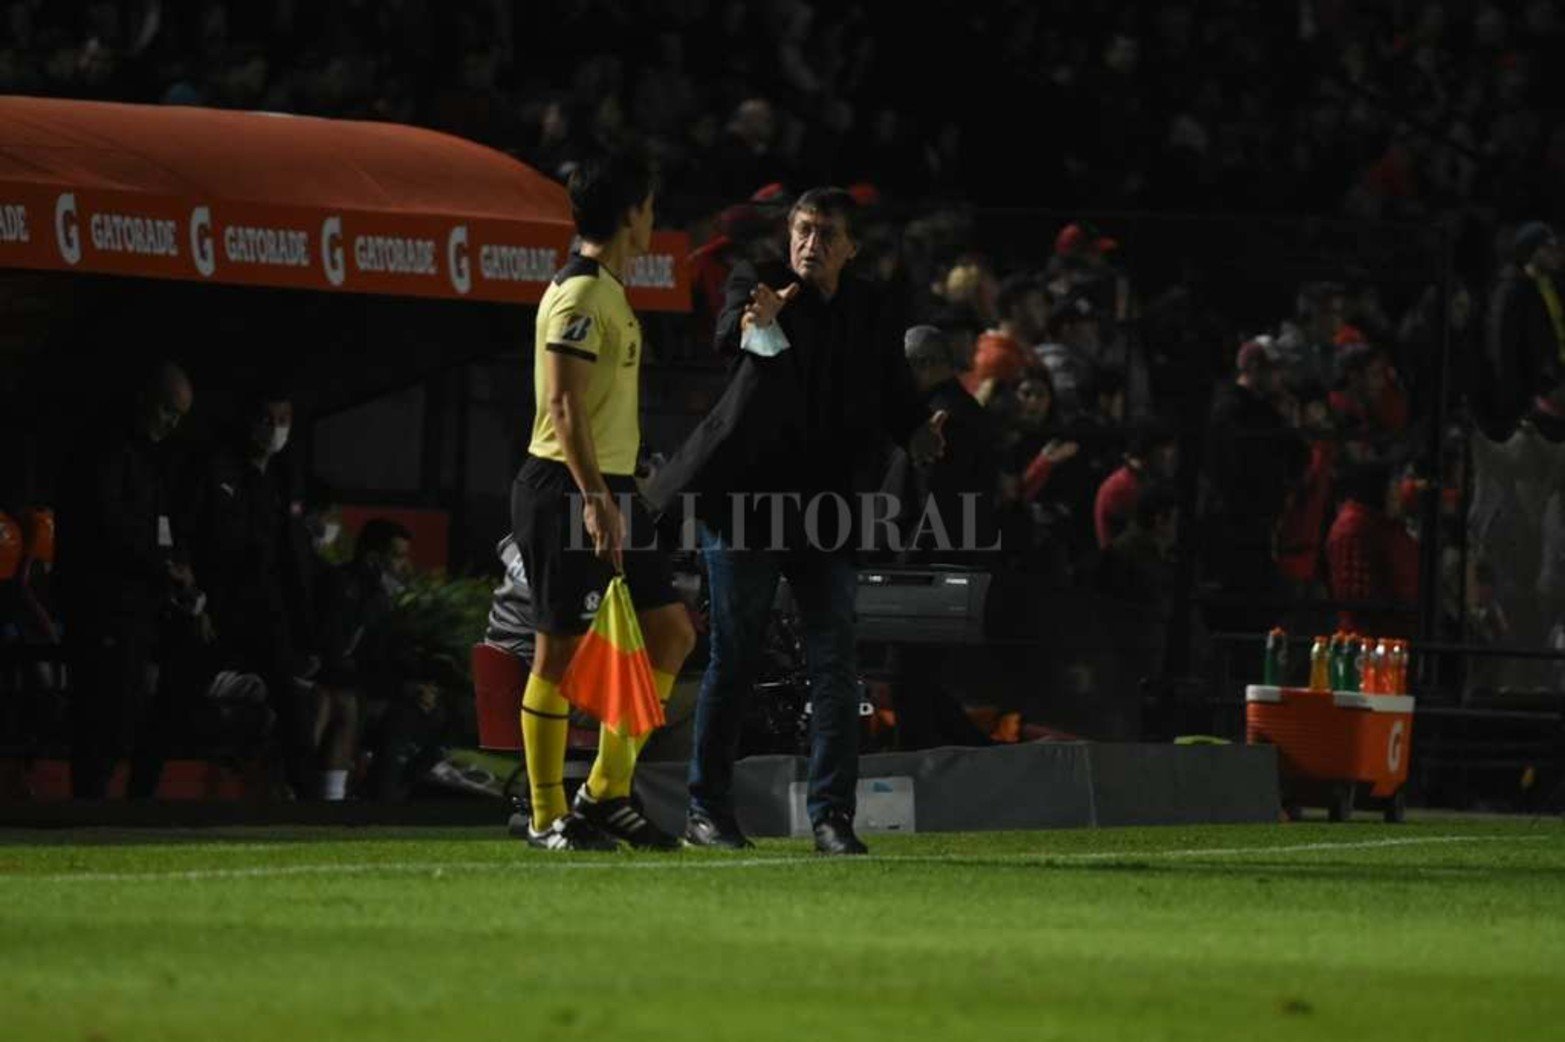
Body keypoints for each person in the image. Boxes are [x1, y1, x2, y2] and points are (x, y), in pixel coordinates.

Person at [649, 186, 945, 855]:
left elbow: (896, 400)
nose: (810, 243)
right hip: (748, 505)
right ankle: (706, 812)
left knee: (835, 664)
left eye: (825, 233)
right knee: (735, 660)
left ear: (850, 247)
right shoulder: (758, 283)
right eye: (802, 229)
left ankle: (832, 819)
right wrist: (760, 321)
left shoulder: (872, 309)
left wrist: (918, 436)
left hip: (828, 510)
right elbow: (729, 336)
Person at [512, 145, 695, 851]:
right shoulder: (583, 294)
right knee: (555, 654)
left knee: (672, 632)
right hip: (565, 486)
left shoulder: (609, 292)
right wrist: (593, 499)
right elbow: (562, 404)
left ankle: (606, 791)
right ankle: (545, 816)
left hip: (610, 488)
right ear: (629, 214)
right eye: (649, 208)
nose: (653, 219)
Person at [55, 360, 194, 799]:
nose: (171, 423)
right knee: (104, 710)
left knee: (118, 708)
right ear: (146, 400)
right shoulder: (111, 451)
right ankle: (90, 803)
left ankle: (94, 801)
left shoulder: (142, 457)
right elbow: (108, 525)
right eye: (167, 410)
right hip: (104, 604)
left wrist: (168, 564)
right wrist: (162, 565)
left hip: (129, 605)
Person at [183, 385, 316, 797]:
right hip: (219, 606)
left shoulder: (282, 476)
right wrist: (196, 602)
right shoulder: (216, 469)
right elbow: (193, 537)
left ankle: (313, 802)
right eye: (269, 420)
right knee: (176, 695)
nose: (277, 430)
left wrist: (304, 628)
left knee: (291, 703)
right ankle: (135, 793)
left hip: (267, 610)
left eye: (284, 421)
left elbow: (293, 555)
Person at [960, 275, 1049, 404]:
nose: (1045, 312)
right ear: (1016, 309)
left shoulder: (1022, 352)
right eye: (1037, 305)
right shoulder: (996, 357)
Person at [1094, 422, 1178, 549]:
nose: (1171, 456)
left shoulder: (1145, 480)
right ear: (1151, 449)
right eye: (1166, 448)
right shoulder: (1120, 487)